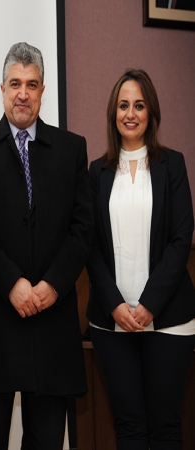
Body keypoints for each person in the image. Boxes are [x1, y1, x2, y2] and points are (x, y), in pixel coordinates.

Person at [0, 42, 93, 450]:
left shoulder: (72, 149)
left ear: (42, 91)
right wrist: (13, 284)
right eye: (15, 83)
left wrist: (53, 284)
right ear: (2, 88)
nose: (23, 93)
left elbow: (82, 228)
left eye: (32, 84)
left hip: (52, 326)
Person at [87, 68, 195, 450]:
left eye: (139, 105)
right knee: (129, 429)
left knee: (165, 428)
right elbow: (90, 245)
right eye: (123, 105)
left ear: (151, 113)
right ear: (113, 113)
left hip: (169, 320)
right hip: (111, 322)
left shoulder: (172, 165)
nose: (130, 114)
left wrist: (149, 304)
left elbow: (181, 238)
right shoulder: (96, 172)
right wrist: (115, 305)